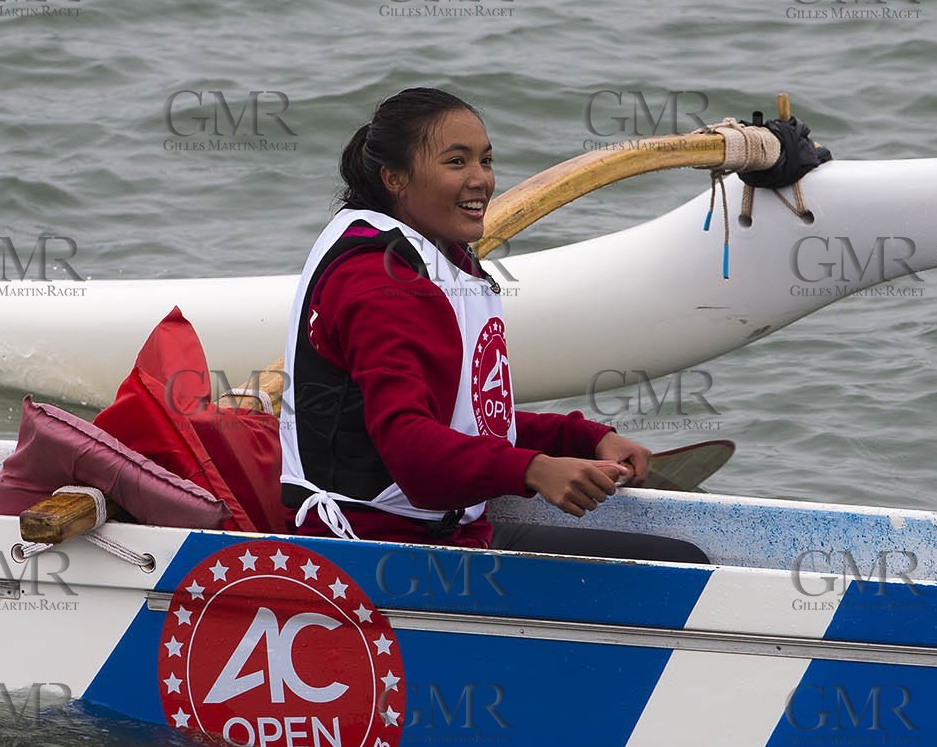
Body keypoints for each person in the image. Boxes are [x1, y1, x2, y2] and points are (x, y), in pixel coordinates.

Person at [280, 87, 707, 563]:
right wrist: (535, 470)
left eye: (486, 160)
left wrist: (582, 439)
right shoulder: (379, 283)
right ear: (395, 178)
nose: (481, 180)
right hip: (373, 552)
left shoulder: (436, 257)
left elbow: (466, 419)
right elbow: (410, 451)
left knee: (682, 556)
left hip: (444, 533)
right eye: (456, 163)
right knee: (682, 564)